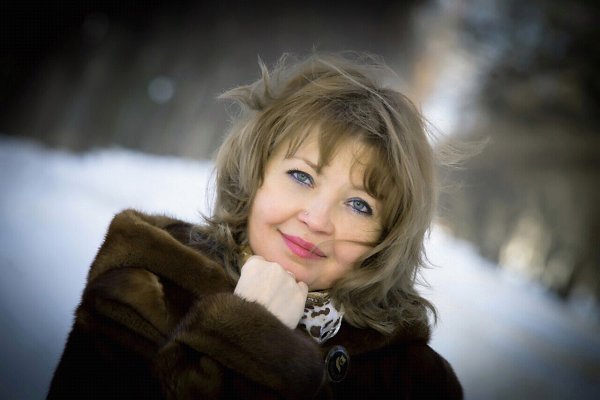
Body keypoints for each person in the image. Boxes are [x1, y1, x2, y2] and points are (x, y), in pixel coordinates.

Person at [48, 52, 462, 399]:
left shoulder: (417, 380)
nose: (316, 220)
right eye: (301, 176)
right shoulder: (146, 281)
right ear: (255, 174)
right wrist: (247, 336)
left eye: (358, 205)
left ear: (387, 236)